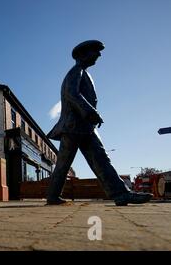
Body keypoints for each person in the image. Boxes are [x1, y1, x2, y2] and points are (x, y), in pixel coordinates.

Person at [46, 40, 153, 206]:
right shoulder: (75, 72)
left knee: (97, 159)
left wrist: (90, 115)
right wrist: (91, 112)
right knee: (71, 163)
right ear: (83, 54)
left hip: (82, 126)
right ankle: (120, 194)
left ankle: (120, 194)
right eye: (94, 51)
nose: (98, 55)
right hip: (75, 126)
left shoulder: (82, 73)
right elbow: (72, 94)